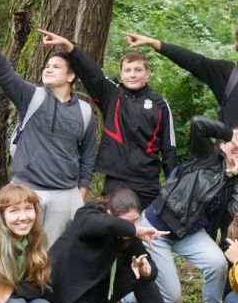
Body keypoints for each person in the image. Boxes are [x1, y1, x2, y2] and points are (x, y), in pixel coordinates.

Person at [124, 24, 238, 219]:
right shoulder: (227, 73)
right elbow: (192, 61)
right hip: (228, 166)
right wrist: (154, 43)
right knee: (226, 227)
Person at [118, 117, 238, 303]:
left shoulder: (235, 180)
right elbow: (198, 124)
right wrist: (231, 134)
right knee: (170, 296)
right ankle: (126, 299)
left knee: (217, 262)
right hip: (157, 228)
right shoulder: (206, 157)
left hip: (189, 232)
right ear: (223, 143)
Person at [0, 19, 97, 245]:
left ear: (71, 77)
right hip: (26, 191)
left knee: (52, 254)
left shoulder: (85, 111)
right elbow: (5, 75)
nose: (48, 69)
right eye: (47, 66)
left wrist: (81, 193)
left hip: (65, 196)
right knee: (14, 249)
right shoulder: (32, 97)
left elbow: (88, 156)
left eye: (56, 67)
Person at [44, 187, 203, 303]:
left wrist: (145, 269)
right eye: (129, 222)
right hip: (64, 301)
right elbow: (105, 224)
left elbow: (150, 268)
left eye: (136, 221)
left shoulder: (129, 238)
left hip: (91, 296)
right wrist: (136, 230)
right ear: (109, 213)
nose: (133, 226)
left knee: (140, 274)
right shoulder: (88, 216)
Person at [39, 30, 177, 210]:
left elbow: (169, 149)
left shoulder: (159, 104)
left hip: (147, 182)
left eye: (138, 70)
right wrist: (68, 46)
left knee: (146, 226)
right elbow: (91, 72)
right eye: (127, 70)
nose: (132, 75)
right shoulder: (112, 94)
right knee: (115, 225)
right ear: (121, 74)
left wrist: (173, 187)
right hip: (116, 180)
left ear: (147, 74)